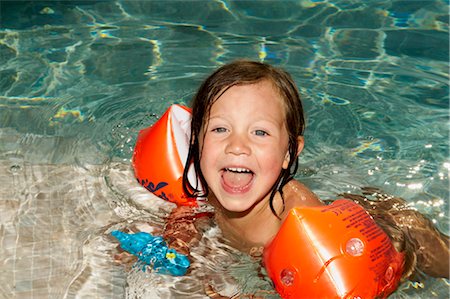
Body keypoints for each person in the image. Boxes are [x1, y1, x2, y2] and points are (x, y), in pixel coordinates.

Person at [164, 59, 449, 282]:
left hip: (388, 232)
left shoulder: (299, 216)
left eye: (260, 132)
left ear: (289, 152)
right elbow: (190, 217)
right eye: (220, 129)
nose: (237, 146)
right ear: (196, 141)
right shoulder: (210, 188)